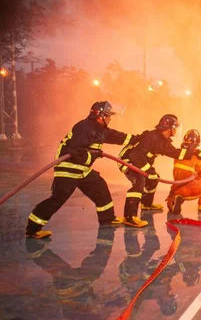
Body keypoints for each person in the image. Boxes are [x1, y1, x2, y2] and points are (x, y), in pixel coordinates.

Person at [25, 101, 137, 239]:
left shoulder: (100, 129)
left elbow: (117, 136)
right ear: (100, 116)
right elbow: (76, 152)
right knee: (57, 199)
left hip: (82, 169)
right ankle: (33, 229)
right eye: (108, 116)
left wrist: (138, 139)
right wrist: (94, 155)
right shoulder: (85, 127)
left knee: (100, 187)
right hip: (69, 168)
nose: (110, 118)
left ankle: (107, 219)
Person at [25, 225, 118, 320]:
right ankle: (37, 251)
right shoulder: (82, 319)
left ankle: (37, 251)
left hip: (73, 289)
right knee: (84, 269)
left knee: (66, 270)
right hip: (73, 289)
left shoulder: (80, 319)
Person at [117, 114, 193, 228]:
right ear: (169, 128)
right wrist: (149, 171)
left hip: (138, 162)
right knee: (139, 180)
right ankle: (129, 217)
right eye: (175, 127)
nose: (176, 130)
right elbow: (136, 155)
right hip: (127, 161)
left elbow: (176, 153)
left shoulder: (164, 141)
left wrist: (192, 148)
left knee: (153, 179)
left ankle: (146, 204)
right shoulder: (151, 137)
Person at [166, 129, 201, 217]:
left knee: (173, 198)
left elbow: (186, 166)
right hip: (192, 190)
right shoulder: (198, 156)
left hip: (177, 189)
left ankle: (176, 199)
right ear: (197, 143)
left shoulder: (178, 153)